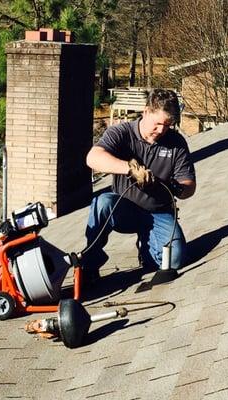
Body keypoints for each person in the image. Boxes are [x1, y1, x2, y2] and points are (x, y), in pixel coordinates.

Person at [83, 89, 196, 284]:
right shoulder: (121, 133)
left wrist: (178, 188)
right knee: (102, 203)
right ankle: (89, 266)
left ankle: (148, 250)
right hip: (124, 209)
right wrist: (129, 169)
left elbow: (190, 185)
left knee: (174, 261)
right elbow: (93, 158)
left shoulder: (176, 143)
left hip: (158, 212)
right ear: (146, 112)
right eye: (158, 123)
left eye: (167, 125)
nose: (161, 130)